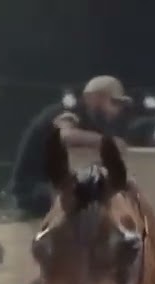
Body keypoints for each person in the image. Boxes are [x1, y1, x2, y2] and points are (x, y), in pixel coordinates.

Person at [9, 75, 134, 218]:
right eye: (113, 103)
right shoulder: (69, 111)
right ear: (93, 98)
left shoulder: (90, 121)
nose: (116, 111)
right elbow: (65, 134)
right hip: (33, 188)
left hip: (53, 186)